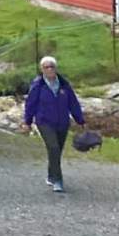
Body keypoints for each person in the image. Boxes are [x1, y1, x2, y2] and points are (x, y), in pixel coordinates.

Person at [22, 55, 85, 192]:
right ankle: (58, 180)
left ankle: (51, 175)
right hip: (44, 121)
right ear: (42, 69)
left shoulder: (64, 84)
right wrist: (27, 121)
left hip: (62, 122)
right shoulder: (38, 85)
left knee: (56, 151)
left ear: (56, 68)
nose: (49, 69)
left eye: (52, 66)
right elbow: (30, 104)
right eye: (46, 67)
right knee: (53, 147)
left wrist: (79, 119)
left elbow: (73, 103)